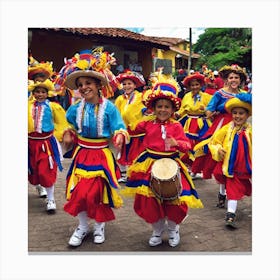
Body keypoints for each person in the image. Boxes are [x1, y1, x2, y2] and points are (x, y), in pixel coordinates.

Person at [121, 76, 203, 247]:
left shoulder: (177, 126)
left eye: (167, 107)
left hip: (172, 165)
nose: (163, 110)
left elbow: (187, 146)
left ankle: (173, 230)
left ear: (172, 109)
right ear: (153, 108)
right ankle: (157, 231)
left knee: (174, 202)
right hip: (149, 164)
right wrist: (120, 131)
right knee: (151, 202)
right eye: (159, 106)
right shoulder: (147, 123)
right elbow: (131, 128)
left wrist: (177, 143)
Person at [60, 48, 129, 247]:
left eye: (88, 83)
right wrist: (68, 134)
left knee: (98, 193)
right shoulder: (75, 108)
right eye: (80, 85)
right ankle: (82, 226)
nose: (83, 87)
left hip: (101, 155)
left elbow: (119, 126)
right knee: (79, 192)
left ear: (99, 85)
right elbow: (70, 126)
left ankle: (99, 226)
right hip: (82, 155)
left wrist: (119, 135)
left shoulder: (110, 108)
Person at [193, 64, 252, 206]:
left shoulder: (244, 94)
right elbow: (209, 109)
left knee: (236, 158)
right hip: (222, 126)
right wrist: (211, 113)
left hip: (239, 128)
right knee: (220, 157)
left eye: (236, 77)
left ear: (241, 79)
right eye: (231, 77)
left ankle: (229, 192)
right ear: (226, 79)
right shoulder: (219, 93)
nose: (233, 80)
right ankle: (222, 191)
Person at [208, 98, 252, 228]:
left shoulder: (250, 131)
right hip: (227, 163)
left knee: (233, 189)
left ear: (247, 115)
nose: (237, 116)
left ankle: (230, 213)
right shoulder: (226, 129)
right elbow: (214, 142)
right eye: (235, 113)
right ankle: (224, 200)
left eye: (241, 113)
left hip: (242, 166)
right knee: (224, 182)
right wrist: (218, 150)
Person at [28, 79, 69, 212]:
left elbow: (62, 123)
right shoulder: (27, 106)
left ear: (47, 93)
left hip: (46, 143)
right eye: (37, 92)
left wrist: (59, 135)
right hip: (30, 143)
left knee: (46, 170)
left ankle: (51, 199)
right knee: (33, 169)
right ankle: (40, 186)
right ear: (33, 93)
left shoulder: (53, 107)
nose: (40, 94)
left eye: (43, 92)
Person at [174, 72, 212, 179]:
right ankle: (189, 167)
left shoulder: (207, 97)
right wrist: (177, 114)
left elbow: (212, 110)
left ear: (201, 85)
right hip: (188, 123)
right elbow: (182, 109)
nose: (194, 87)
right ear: (189, 86)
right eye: (192, 85)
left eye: (197, 84)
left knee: (200, 146)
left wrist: (205, 110)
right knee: (186, 145)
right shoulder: (186, 96)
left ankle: (196, 169)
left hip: (201, 123)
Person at [114, 70, 147, 183]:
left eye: (129, 83)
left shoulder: (141, 97)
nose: (127, 86)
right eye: (124, 84)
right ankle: (124, 174)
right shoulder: (120, 99)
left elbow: (147, 109)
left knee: (138, 155)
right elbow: (116, 114)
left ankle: (137, 175)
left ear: (135, 85)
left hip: (139, 132)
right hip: (125, 131)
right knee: (123, 153)